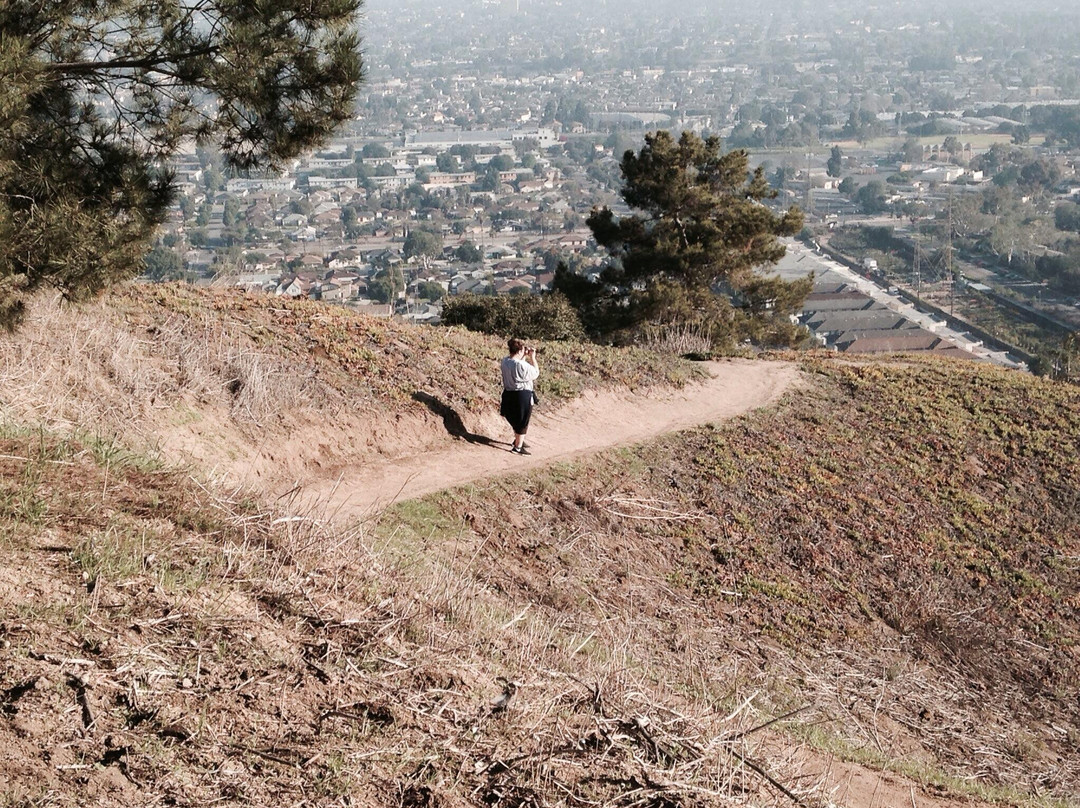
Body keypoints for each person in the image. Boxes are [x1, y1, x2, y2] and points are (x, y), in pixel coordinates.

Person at [500, 337, 539, 455]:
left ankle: (518, 439)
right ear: (520, 350)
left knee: (514, 418)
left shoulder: (505, 361)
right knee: (523, 421)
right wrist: (533, 358)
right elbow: (535, 373)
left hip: (509, 393)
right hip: (522, 395)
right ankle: (518, 447)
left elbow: (516, 362)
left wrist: (523, 355)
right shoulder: (522, 365)